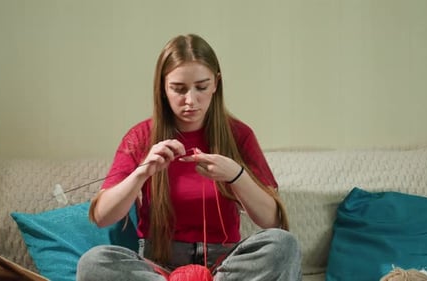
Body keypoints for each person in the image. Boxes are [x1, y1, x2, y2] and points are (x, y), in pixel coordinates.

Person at [76, 34, 302, 281]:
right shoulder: (140, 137)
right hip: (158, 267)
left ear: (216, 83)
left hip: (223, 267)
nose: (191, 101)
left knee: (283, 245)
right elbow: (101, 217)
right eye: (179, 89)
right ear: (163, 87)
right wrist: (142, 172)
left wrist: (236, 175)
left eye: (202, 87)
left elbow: (273, 221)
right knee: (93, 262)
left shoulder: (239, 135)